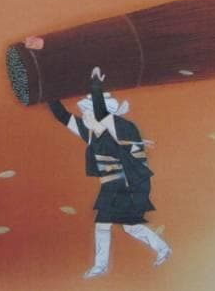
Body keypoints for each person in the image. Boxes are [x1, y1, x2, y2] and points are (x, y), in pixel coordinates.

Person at [48, 67, 172, 278]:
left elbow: (114, 143)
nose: (85, 115)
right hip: (112, 184)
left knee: (109, 224)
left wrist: (96, 85)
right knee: (125, 226)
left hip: (130, 183)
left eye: (89, 111)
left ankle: (102, 265)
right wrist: (49, 92)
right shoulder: (91, 130)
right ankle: (161, 249)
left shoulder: (123, 127)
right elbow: (63, 117)